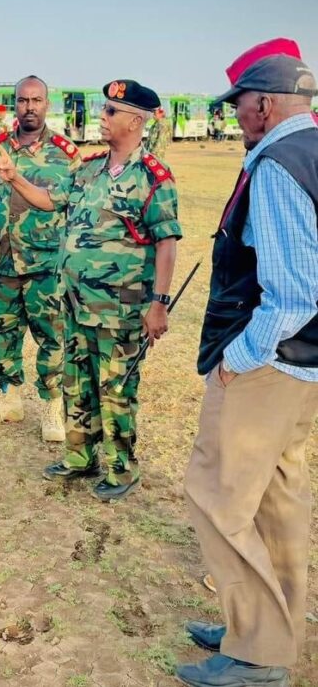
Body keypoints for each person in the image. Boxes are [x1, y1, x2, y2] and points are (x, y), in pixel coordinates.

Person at [178, 38, 318, 687]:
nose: (235, 115)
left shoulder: (279, 164)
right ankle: (270, 626)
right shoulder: (311, 150)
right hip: (305, 370)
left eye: (239, 105)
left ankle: (260, 653)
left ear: (263, 104)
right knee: (278, 503)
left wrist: (238, 357)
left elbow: (293, 291)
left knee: (216, 495)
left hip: (269, 367)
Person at [42, 79, 182, 501]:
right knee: (76, 382)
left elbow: (167, 242)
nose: (101, 118)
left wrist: (158, 304)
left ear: (135, 121)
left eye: (110, 112)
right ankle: (80, 457)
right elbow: (52, 203)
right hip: (77, 303)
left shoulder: (153, 176)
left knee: (116, 390)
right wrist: (13, 180)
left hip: (121, 308)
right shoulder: (88, 168)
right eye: (103, 110)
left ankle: (123, 470)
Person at [0, 75, 81, 442]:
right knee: (1, 332)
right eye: (23, 100)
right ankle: (8, 398)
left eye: (36, 100)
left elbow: (77, 212)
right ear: (15, 104)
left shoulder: (66, 155)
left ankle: (52, 406)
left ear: (47, 105)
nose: (29, 106)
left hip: (46, 264)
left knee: (52, 335)